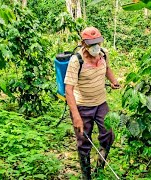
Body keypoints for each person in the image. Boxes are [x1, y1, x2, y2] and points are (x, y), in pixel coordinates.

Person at [64, 27, 119, 179]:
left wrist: (113, 81)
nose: (95, 46)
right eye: (91, 44)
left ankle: (100, 167)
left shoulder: (103, 54)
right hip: (82, 106)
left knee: (108, 135)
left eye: (97, 42)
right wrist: (76, 116)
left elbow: (107, 69)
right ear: (83, 43)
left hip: (101, 103)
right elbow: (69, 90)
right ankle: (86, 175)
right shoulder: (76, 61)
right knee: (84, 141)